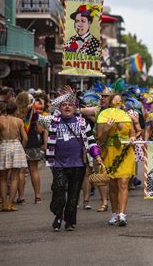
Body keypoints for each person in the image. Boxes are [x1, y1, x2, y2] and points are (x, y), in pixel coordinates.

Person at [45, 93, 102, 231]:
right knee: (58, 189)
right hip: (58, 164)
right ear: (59, 108)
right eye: (64, 105)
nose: (67, 107)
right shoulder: (52, 121)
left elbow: (91, 142)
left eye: (70, 105)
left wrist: (97, 156)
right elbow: (34, 117)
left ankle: (69, 221)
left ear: (74, 108)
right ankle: (58, 214)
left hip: (78, 164)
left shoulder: (82, 122)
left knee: (74, 194)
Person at [96, 94, 135, 227]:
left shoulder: (127, 117)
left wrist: (133, 138)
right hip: (110, 152)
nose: (118, 102)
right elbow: (100, 139)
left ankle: (122, 214)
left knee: (123, 183)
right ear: (111, 103)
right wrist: (107, 129)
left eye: (120, 100)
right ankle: (114, 213)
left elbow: (133, 133)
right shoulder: (104, 117)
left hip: (125, 152)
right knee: (112, 185)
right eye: (115, 100)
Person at [0, 101, 28, 211]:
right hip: (16, 146)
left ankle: (4, 204)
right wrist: (21, 148)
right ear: (15, 110)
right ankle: (11, 204)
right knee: (14, 177)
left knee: (3, 178)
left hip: (4, 145)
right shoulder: (19, 121)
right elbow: (25, 138)